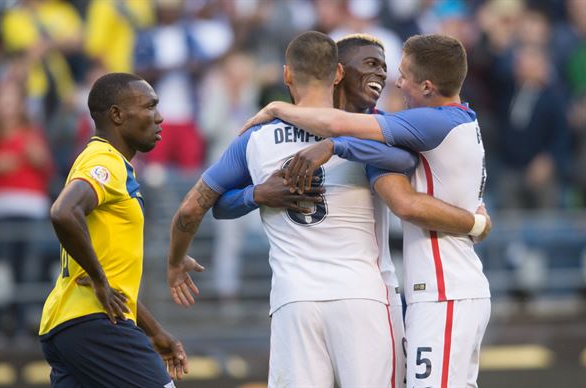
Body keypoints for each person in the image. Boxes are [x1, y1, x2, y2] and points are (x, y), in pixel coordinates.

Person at [214, 33, 491, 388]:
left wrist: (279, 110)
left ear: (426, 85)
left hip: (439, 291)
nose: (396, 82)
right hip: (433, 292)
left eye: (401, 74)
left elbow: (399, 197)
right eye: (380, 67)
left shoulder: (432, 122)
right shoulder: (434, 123)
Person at [39, 73, 187, 387]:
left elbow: (112, 281)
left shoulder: (106, 162)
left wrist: (154, 330)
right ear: (117, 115)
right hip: (97, 324)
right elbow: (63, 212)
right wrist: (98, 280)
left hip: (67, 325)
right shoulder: (105, 161)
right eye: (149, 107)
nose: (159, 117)